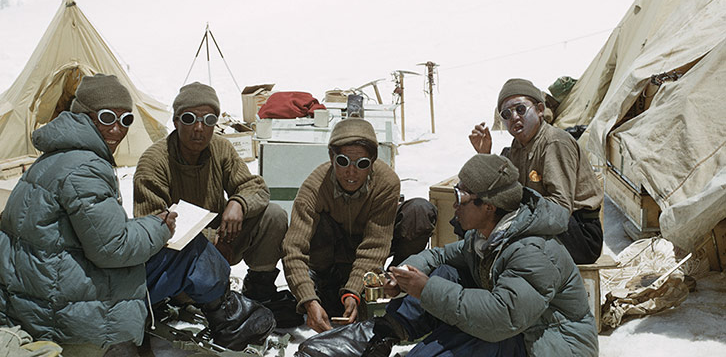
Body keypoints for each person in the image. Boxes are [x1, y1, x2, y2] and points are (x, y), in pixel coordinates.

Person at [0, 74, 270, 352]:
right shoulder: (89, 167)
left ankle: (237, 303)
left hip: (46, 289)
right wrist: (159, 225)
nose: (117, 129)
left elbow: (98, 235)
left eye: (126, 120)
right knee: (191, 250)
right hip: (62, 299)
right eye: (107, 118)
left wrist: (238, 202)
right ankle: (228, 321)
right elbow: (113, 247)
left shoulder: (58, 158)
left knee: (268, 216)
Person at [296, 154, 599, 357]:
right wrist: (403, 277)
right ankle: (379, 334)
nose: (454, 206)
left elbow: (499, 318)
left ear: (488, 206)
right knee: (448, 275)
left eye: (460, 197)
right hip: (518, 330)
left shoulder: (533, 251)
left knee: (477, 329)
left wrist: (425, 289)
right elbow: (440, 258)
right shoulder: (487, 237)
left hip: (549, 345)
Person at [133, 82, 299, 326]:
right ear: (176, 121)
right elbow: (152, 225)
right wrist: (209, 242)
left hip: (226, 238)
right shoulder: (154, 161)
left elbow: (257, 188)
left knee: (273, 215)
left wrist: (238, 203)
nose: (199, 128)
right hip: (181, 254)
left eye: (209, 120)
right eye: (190, 119)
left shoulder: (220, 147)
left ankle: (260, 288)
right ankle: (186, 297)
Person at [282, 117, 437, 333]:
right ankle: (327, 285)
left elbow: (375, 245)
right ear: (331, 158)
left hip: (371, 247)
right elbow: (293, 249)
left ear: (372, 163)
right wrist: (309, 300)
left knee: (419, 211)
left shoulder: (386, 182)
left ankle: (400, 285)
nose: (352, 172)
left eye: (362, 163)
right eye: (343, 161)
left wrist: (353, 291)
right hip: (333, 251)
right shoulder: (314, 188)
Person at [469, 77, 603, 264]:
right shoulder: (515, 148)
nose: (514, 117)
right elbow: (497, 193)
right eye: (506, 114)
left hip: (578, 234)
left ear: (540, 110)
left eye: (521, 109)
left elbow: (560, 208)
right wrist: (485, 155)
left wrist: (512, 223)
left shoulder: (554, 143)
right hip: (549, 226)